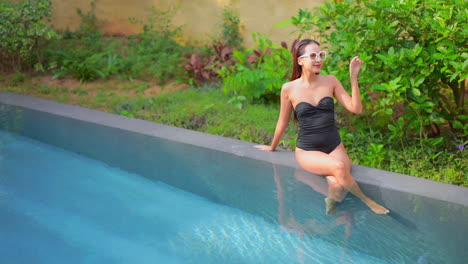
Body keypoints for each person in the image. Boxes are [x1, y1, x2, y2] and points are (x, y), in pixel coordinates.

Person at [256, 39, 389, 214]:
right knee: (339, 168)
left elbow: (356, 108)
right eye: (313, 56)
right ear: (300, 60)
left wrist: (353, 77)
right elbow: (283, 121)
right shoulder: (289, 88)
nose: (318, 59)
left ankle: (332, 204)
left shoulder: (330, 81)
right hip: (307, 150)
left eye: (321, 55)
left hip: (334, 145)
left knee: (336, 182)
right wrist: (272, 147)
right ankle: (368, 201)